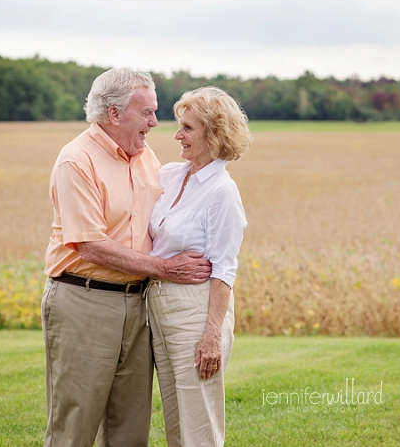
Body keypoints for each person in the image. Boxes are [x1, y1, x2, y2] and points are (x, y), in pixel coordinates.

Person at [41, 68, 212, 447]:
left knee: (130, 432)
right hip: (84, 302)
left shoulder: (147, 157)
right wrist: (167, 269)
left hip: (139, 306)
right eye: (147, 112)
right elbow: (90, 245)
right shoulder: (76, 161)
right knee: (75, 427)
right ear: (114, 114)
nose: (155, 122)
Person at [146, 86, 251, 447]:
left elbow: (224, 269)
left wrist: (211, 336)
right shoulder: (171, 174)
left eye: (188, 128)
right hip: (158, 308)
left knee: (199, 426)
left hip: (197, 312)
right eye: (180, 126)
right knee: (176, 420)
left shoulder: (222, 191)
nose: (177, 135)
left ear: (214, 133)